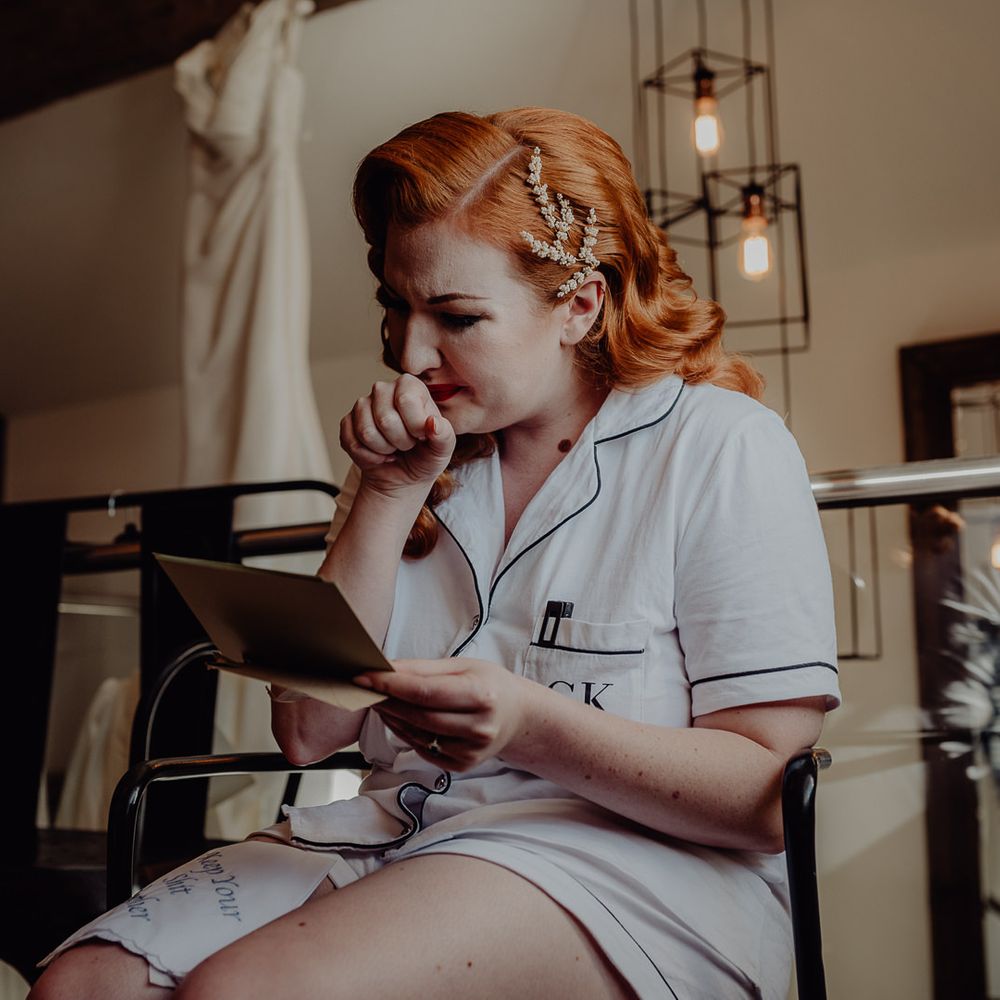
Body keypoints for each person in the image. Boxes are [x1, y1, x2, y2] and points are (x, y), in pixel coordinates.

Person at [32, 107, 840, 1000]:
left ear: (580, 304)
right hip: (400, 829)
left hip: (637, 868)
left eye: (456, 316)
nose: (410, 353)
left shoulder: (721, 448)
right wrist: (384, 493)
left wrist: (533, 725)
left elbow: (766, 796)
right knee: (79, 987)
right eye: (394, 304)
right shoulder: (412, 451)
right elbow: (308, 736)